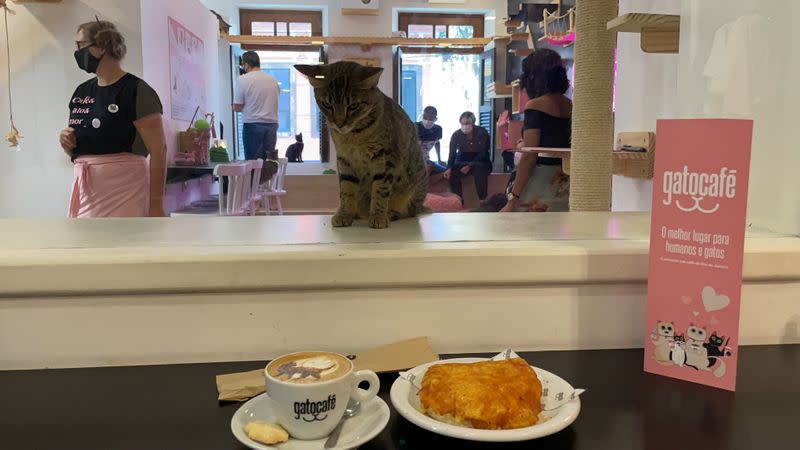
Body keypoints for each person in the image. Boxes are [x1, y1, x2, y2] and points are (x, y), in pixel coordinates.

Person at [60, 20, 166, 218]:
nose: (76, 52)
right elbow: (87, 143)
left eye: (80, 46)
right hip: (89, 193)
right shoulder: (81, 92)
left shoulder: (137, 91)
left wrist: (156, 205)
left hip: (126, 191)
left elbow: (159, 152)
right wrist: (68, 144)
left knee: (122, 244)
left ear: (101, 48)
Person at [501, 49, 571, 213]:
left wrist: (513, 198)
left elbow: (529, 157)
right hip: (563, 180)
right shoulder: (570, 105)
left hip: (539, 182)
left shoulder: (535, 105)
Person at [233, 51, 280, 160]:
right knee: (268, 163)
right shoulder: (273, 80)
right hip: (272, 125)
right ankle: (267, 178)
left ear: (246, 65)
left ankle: (255, 178)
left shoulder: (243, 79)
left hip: (252, 125)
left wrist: (234, 106)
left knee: (253, 164)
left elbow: (237, 106)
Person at [444, 111, 492, 204]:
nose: (464, 126)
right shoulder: (456, 135)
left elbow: (483, 153)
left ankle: (482, 201)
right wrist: (449, 168)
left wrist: (470, 165)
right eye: (462, 123)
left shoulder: (482, 132)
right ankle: (458, 200)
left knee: (479, 171)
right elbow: (452, 154)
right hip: (463, 161)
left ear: (473, 123)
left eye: (467, 123)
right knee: (453, 172)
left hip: (481, 162)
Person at [415, 106, 446, 174]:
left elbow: (437, 143)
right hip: (414, 162)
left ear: (436, 119)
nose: (427, 121)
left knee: (446, 172)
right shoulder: (415, 127)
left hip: (426, 161)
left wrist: (439, 159)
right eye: (425, 118)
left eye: (431, 119)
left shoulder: (438, 129)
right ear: (422, 116)